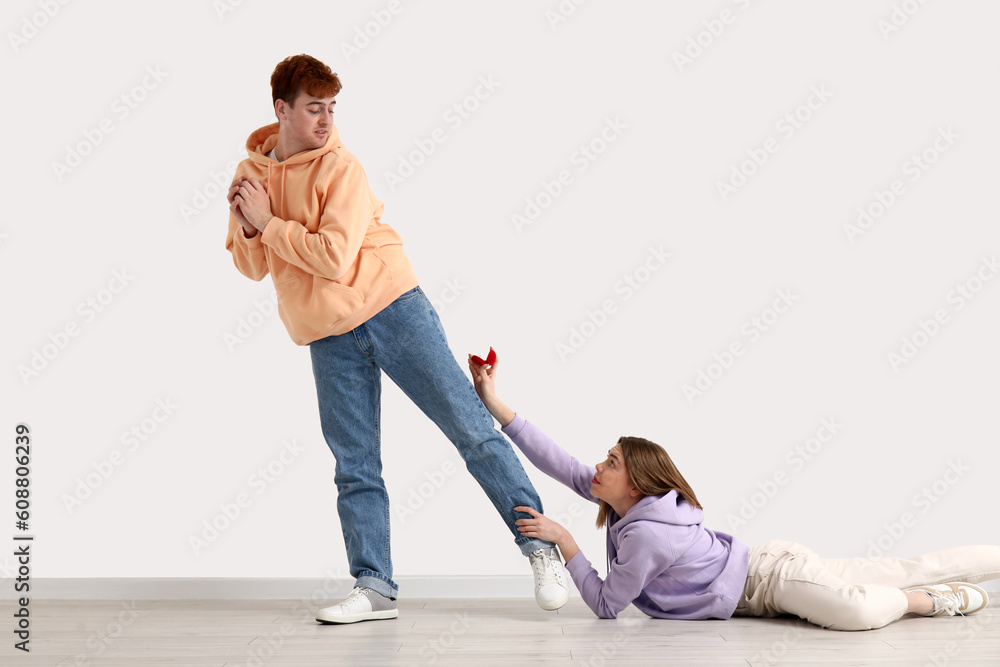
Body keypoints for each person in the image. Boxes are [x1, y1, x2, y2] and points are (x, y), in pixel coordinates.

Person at [224, 54, 569, 624]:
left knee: (470, 429)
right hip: (326, 332)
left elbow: (334, 257)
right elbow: (251, 267)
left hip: (392, 308)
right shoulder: (250, 175)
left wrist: (270, 224)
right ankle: (375, 587)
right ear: (281, 110)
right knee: (354, 463)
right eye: (314, 108)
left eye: (332, 108)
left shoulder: (343, 168)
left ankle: (540, 548)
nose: (325, 120)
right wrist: (248, 224)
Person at [467, 350, 1000, 630]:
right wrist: (495, 402)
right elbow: (553, 457)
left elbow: (607, 606)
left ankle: (933, 602)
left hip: (768, 581)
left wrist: (566, 541)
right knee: (900, 565)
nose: (596, 468)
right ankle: (941, 586)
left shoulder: (649, 534)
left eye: (610, 462)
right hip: (769, 566)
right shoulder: (630, 504)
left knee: (861, 612)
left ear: (637, 482)